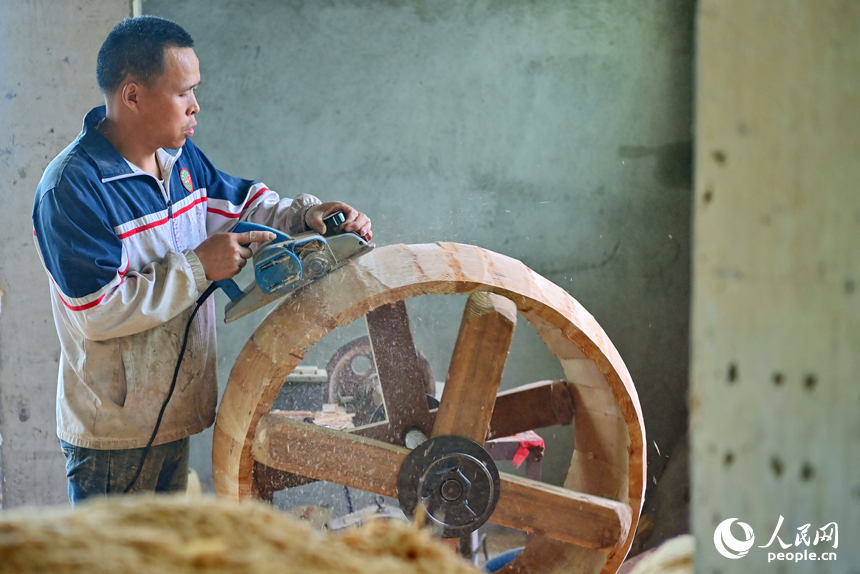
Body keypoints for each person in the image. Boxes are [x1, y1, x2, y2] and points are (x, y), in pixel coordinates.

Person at [32, 16, 372, 505]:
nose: (196, 107)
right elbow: (97, 312)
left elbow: (240, 205)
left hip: (173, 414)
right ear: (132, 96)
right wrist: (198, 267)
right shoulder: (73, 188)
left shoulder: (179, 159)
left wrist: (306, 213)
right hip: (115, 437)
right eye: (183, 93)